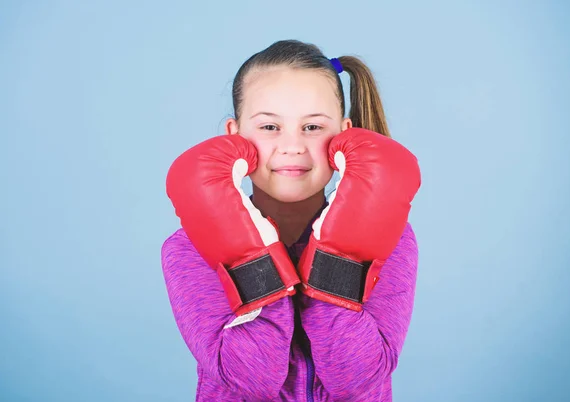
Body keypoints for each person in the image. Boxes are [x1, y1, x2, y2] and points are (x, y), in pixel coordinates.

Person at [161, 39, 421, 401]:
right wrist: (252, 261)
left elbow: (357, 379)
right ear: (235, 137)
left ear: (344, 136)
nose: (292, 146)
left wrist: (338, 260)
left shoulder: (393, 237)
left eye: (312, 127)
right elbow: (250, 380)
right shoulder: (189, 248)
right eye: (270, 127)